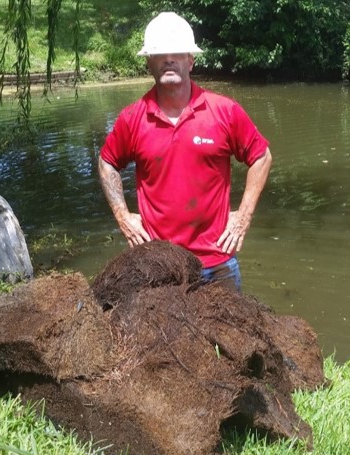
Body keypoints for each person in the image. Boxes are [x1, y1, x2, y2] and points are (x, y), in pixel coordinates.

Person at [98, 12, 272, 291]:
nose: (169, 59)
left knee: (229, 335)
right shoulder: (133, 118)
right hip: (158, 266)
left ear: (190, 60)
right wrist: (123, 216)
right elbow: (107, 162)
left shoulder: (224, 111)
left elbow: (261, 157)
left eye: (177, 52)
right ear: (148, 63)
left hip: (218, 264)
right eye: (159, 53)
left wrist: (243, 216)